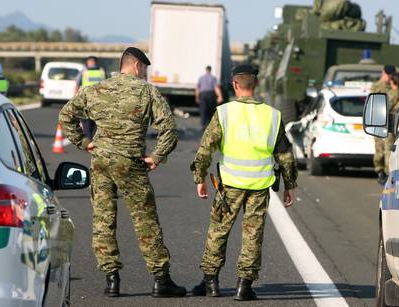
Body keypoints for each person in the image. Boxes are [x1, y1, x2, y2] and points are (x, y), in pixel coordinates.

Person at [58, 47, 186, 298]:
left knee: (103, 219)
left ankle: (111, 279)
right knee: (145, 220)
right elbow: (169, 128)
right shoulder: (147, 91)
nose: (146, 74)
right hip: (130, 162)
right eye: (145, 69)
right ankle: (161, 280)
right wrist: (157, 156)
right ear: (137, 66)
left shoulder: (95, 90)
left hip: (101, 161)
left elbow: (66, 115)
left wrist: (84, 143)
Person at [190, 64, 298, 301]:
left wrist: (200, 178)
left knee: (218, 231)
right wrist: (290, 185)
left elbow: (205, 148)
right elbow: (285, 155)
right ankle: (244, 285)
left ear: (235, 85)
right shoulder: (273, 115)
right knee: (253, 234)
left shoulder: (224, 112)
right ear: (255, 85)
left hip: (229, 184)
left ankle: (211, 281)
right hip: (259, 185)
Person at [371, 65, 395, 185]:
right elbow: (375, 103)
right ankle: (380, 171)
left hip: (390, 122)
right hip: (379, 121)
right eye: (387, 74)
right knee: (379, 149)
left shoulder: (393, 86)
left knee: (388, 149)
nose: (389, 77)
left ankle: (386, 172)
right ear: (383, 73)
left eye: (390, 75)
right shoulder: (376, 86)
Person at [79, 56, 106, 139]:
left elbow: (107, 84)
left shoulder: (102, 71)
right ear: (87, 62)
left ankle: (92, 139)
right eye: (90, 61)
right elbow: (77, 84)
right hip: (86, 99)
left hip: (99, 100)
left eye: (93, 61)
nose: (92, 63)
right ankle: (88, 139)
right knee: (86, 120)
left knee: (96, 121)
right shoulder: (84, 72)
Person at [384, 72, 399, 176]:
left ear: (392, 81)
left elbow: (385, 108)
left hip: (391, 123)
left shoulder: (390, 94)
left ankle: (389, 172)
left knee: (389, 148)